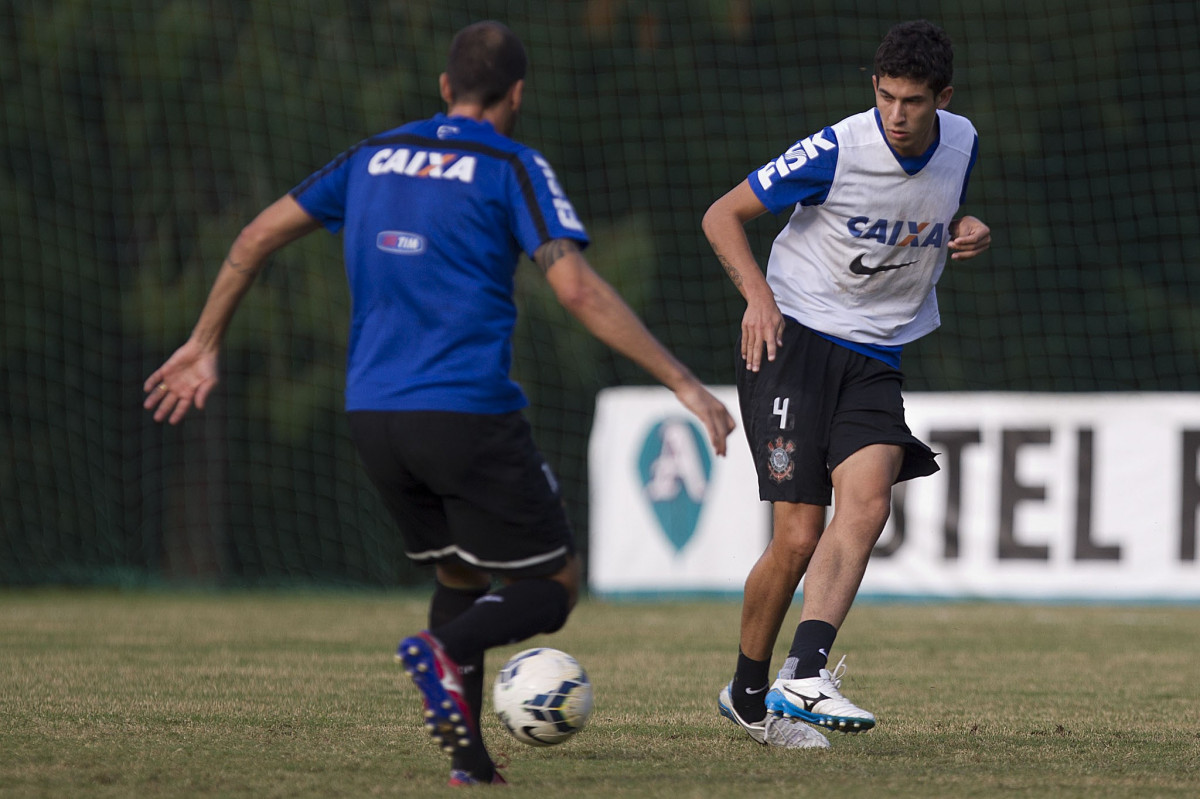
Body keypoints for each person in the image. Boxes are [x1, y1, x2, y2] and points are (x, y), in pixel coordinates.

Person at [143, 20, 735, 786]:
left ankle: (469, 765)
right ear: (516, 94)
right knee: (551, 587)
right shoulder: (509, 164)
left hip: (374, 418)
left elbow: (255, 236)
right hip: (465, 413)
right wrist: (682, 380)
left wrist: (204, 341)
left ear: (445, 88)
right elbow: (576, 287)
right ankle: (442, 653)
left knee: (459, 576)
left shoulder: (369, 157)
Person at [702, 20, 991, 750]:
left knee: (869, 499)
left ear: (942, 99)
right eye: (887, 96)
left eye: (914, 101)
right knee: (796, 537)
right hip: (791, 337)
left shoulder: (963, 142)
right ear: (874, 89)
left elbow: (934, 210)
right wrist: (758, 297)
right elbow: (721, 215)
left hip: (877, 352)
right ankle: (746, 693)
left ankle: (805, 670)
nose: (897, 114)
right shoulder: (838, 147)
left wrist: (969, 229)